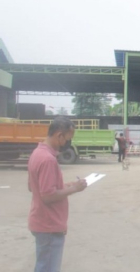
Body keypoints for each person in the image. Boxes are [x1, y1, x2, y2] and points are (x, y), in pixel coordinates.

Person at [28, 116, 87, 272]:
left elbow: (32, 186)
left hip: (42, 222)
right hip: (49, 224)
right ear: (59, 135)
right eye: (68, 139)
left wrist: (67, 185)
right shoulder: (48, 159)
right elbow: (48, 196)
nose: (67, 143)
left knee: (43, 265)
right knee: (47, 268)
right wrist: (75, 189)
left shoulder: (37, 153)